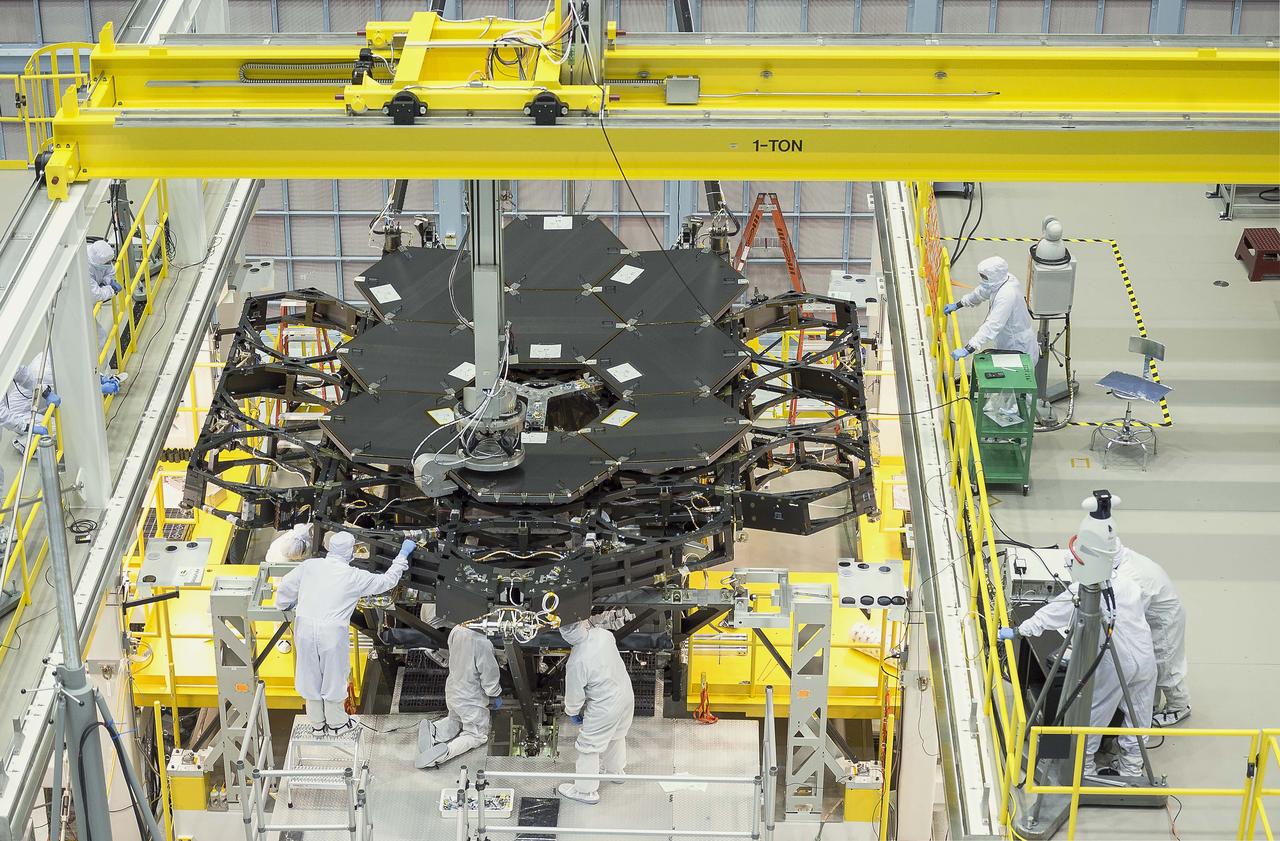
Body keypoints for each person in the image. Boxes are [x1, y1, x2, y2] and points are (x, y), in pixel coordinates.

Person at [998, 532, 1156, 777]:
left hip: (1116, 662)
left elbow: (1053, 614)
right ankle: (1132, 771)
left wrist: (1019, 630)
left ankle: (1084, 770)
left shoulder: (1086, 591)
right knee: (1139, 715)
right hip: (1145, 657)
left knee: (1092, 715)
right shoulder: (1128, 583)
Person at [275, 531, 415, 733]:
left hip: (304, 627)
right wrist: (402, 556)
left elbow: (286, 585)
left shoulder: (310, 566)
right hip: (331, 632)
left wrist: (283, 604)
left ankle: (316, 724)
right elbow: (387, 582)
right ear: (351, 552)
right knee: (333, 675)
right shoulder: (353, 576)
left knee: (308, 673)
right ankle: (337, 724)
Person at [557, 619, 635, 805]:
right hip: (625, 694)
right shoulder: (604, 635)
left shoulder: (577, 660)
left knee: (588, 746)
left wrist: (572, 711)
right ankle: (615, 771)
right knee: (617, 735)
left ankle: (585, 791)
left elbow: (575, 694)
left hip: (605, 705)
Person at [1117, 547, 1190, 726]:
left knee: (1166, 664)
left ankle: (1179, 706)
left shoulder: (1130, 576)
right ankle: (1151, 706)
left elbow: (1125, 614)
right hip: (1151, 614)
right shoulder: (1120, 555)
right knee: (1149, 663)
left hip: (1164, 622)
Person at [415, 625, 502, 768]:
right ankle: (443, 755)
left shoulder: (457, 630)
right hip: (471, 697)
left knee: (455, 720)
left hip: (453, 689)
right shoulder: (483, 642)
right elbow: (489, 674)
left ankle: (434, 730)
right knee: (476, 735)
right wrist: (495, 694)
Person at [943, 256, 1038, 365]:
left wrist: (969, 348)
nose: (982, 279)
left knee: (1014, 380)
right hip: (1006, 342)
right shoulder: (1002, 279)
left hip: (1017, 347)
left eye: (984, 277)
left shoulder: (1007, 295)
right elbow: (982, 292)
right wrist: (959, 304)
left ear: (994, 276)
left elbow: (993, 325)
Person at [1, 353, 59, 454]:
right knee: (59, 428)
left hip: (20, 409)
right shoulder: (46, 371)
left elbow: (20, 373)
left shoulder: (4, 355)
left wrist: (45, 392)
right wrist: (27, 427)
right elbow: (2, 415)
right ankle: (24, 443)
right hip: (17, 414)